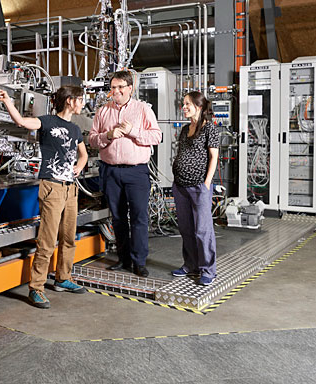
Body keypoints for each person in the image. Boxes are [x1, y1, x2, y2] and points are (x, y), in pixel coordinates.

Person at [0, 83, 88, 309]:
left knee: (69, 237)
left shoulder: (75, 129)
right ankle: (36, 288)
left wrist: (79, 167)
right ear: (70, 100)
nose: (82, 104)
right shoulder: (47, 121)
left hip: (70, 188)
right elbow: (21, 122)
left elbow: (83, 154)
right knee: (47, 240)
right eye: (80, 99)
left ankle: (63, 278)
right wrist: (7, 101)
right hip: (52, 188)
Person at [89, 70, 162, 277]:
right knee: (118, 218)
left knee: (139, 217)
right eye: (113, 87)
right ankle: (124, 259)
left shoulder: (142, 110)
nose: (116, 91)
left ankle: (139, 261)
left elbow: (157, 136)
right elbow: (93, 139)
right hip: (110, 171)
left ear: (130, 88)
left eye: (121, 87)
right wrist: (108, 135)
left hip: (136, 172)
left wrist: (133, 132)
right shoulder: (103, 111)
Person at [171, 91, 220, 286]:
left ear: (198, 107)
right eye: (183, 104)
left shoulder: (210, 129)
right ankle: (190, 265)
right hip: (180, 186)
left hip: (199, 186)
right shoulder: (185, 129)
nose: (184, 107)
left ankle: (208, 270)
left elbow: (214, 157)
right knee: (186, 228)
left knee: (202, 230)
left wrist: (207, 183)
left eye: (187, 104)